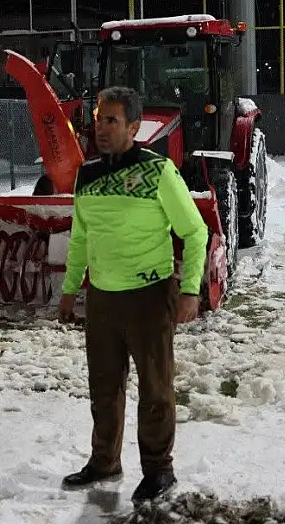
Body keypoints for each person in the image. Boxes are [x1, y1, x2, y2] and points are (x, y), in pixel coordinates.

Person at [57, 85, 208, 503]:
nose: (101, 128)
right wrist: (71, 290)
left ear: (135, 127)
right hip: (103, 298)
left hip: (149, 295)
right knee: (104, 387)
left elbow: (195, 231)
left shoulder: (158, 172)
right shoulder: (86, 175)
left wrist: (190, 291)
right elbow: (81, 237)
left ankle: (159, 470)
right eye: (98, 119)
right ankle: (104, 460)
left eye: (112, 121)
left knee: (155, 389)